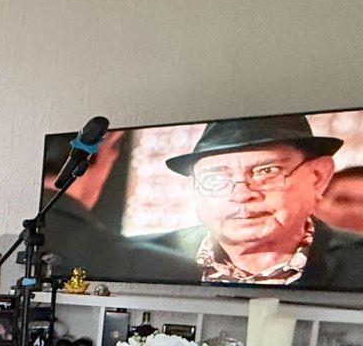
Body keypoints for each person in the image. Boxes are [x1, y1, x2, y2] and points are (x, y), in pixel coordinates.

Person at [134, 114, 363, 287]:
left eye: (267, 171)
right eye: (214, 178)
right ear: (194, 189)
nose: (241, 195)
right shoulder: (140, 261)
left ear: (318, 177)